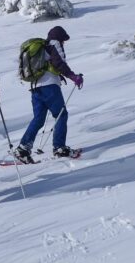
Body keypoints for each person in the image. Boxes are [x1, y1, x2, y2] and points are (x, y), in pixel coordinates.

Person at [13, 26, 83, 163]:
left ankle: (23, 149)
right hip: (49, 86)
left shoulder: (42, 47)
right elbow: (59, 63)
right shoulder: (54, 44)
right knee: (61, 115)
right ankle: (59, 148)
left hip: (35, 88)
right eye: (64, 40)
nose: (64, 43)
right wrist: (73, 76)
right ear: (60, 38)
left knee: (38, 119)